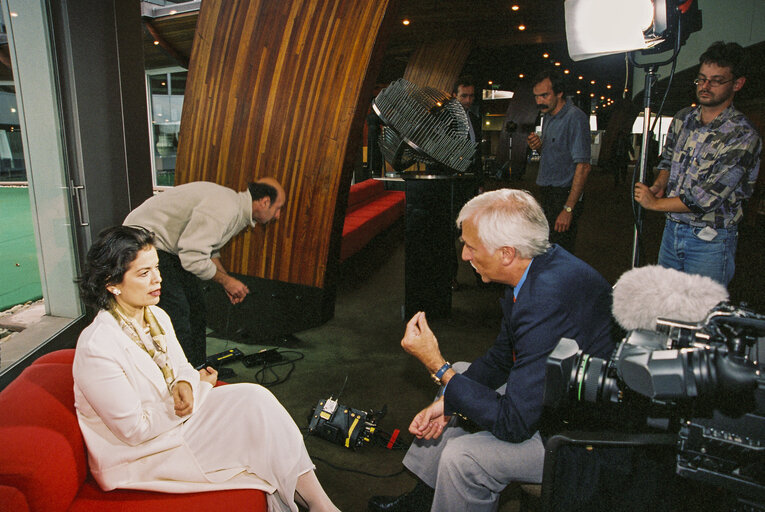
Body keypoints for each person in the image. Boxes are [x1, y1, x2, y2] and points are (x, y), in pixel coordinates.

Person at [368, 189, 615, 512]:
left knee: (464, 457)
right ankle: (425, 499)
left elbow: (513, 424)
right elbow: (502, 358)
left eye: (471, 246)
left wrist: (438, 366)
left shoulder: (545, 300)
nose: (465, 256)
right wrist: (448, 402)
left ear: (506, 254)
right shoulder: (540, 266)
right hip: (558, 400)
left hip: (579, 440)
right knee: (462, 377)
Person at [73, 226, 340, 512]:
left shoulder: (156, 315)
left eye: (157, 268)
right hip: (140, 455)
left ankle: (320, 505)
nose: (157, 279)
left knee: (255, 398)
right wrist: (195, 391)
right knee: (255, 431)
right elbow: (135, 430)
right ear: (112, 283)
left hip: (174, 425)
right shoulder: (97, 347)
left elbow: (183, 370)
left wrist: (187, 385)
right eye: (143, 273)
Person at [634, 41, 761, 287]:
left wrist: (655, 203)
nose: (705, 86)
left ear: (737, 84)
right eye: (701, 79)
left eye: (716, 80)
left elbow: (706, 199)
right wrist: (659, 184)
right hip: (672, 231)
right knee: (666, 306)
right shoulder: (684, 118)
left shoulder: (742, 135)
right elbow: (668, 159)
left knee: (698, 313)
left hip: (710, 241)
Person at [123, 178, 286, 367]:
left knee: (197, 308)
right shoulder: (225, 208)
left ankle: (198, 368)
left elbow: (208, 250)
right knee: (179, 314)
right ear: (265, 202)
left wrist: (226, 280)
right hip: (142, 242)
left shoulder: (234, 207)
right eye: (278, 208)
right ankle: (183, 377)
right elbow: (192, 256)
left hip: (168, 248)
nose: (278, 216)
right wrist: (226, 281)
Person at [527, 69, 592, 254]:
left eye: (545, 95)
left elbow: (584, 166)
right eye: (536, 96)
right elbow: (554, 154)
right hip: (547, 193)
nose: (539, 101)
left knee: (561, 251)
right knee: (547, 248)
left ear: (560, 92)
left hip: (564, 195)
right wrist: (539, 146)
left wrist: (568, 209)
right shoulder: (547, 116)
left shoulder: (575, 117)